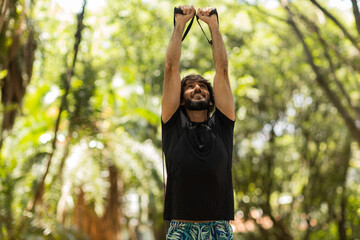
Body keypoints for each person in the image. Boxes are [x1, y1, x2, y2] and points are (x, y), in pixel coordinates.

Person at [161, 5, 235, 240]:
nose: (197, 89)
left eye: (202, 87)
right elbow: (171, 69)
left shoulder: (223, 126)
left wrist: (214, 26)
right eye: (190, 86)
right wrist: (180, 25)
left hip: (219, 230)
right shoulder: (173, 126)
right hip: (181, 230)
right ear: (181, 100)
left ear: (211, 100)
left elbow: (222, 71)